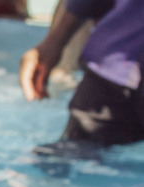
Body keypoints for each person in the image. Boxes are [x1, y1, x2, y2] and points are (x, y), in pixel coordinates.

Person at [19, 0, 144, 148]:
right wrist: (54, 41)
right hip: (112, 66)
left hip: (113, 61)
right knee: (71, 150)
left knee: (75, 152)